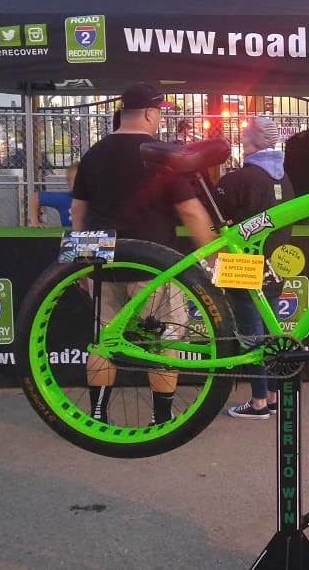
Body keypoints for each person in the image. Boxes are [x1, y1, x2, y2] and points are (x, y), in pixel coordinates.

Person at [72, 82, 217, 425]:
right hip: (154, 268)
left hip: (102, 263)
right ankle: (161, 419)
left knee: (103, 342)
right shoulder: (158, 154)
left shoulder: (94, 153)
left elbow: (79, 213)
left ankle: (97, 416)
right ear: (151, 113)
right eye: (160, 113)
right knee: (162, 343)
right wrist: (216, 258)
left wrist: (78, 267)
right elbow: (192, 213)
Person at [214, 116, 293, 419]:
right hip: (276, 263)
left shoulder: (239, 179)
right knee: (271, 333)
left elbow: (214, 216)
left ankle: (259, 401)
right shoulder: (285, 177)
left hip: (242, 263)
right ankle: (271, 394)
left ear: (251, 140)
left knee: (252, 335)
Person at [27, 163, 78, 227]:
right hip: (70, 236)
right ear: (68, 183)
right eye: (76, 180)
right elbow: (34, 198)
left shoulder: (94, 198)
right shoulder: (64, 199)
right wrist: (35, 222)